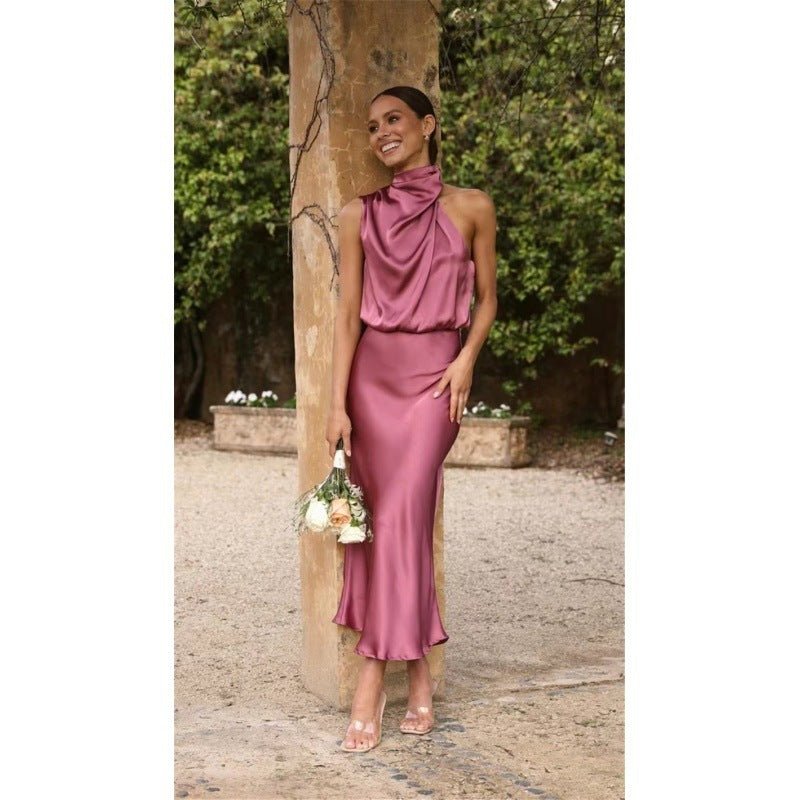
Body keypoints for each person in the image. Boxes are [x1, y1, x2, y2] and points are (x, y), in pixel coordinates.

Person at [325, 85, 498, 753]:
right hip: (372, 383)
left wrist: (466, 361)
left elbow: (487, 301)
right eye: (373, 126)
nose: (382, 133)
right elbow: (348, 317)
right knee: (393, 529)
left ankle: (372, 679)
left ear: (427, 124)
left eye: (393, 119)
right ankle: (418, 674)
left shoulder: (473, 207)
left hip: (435, 381)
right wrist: (337, 403)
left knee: (401, 516)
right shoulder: (357, 215)